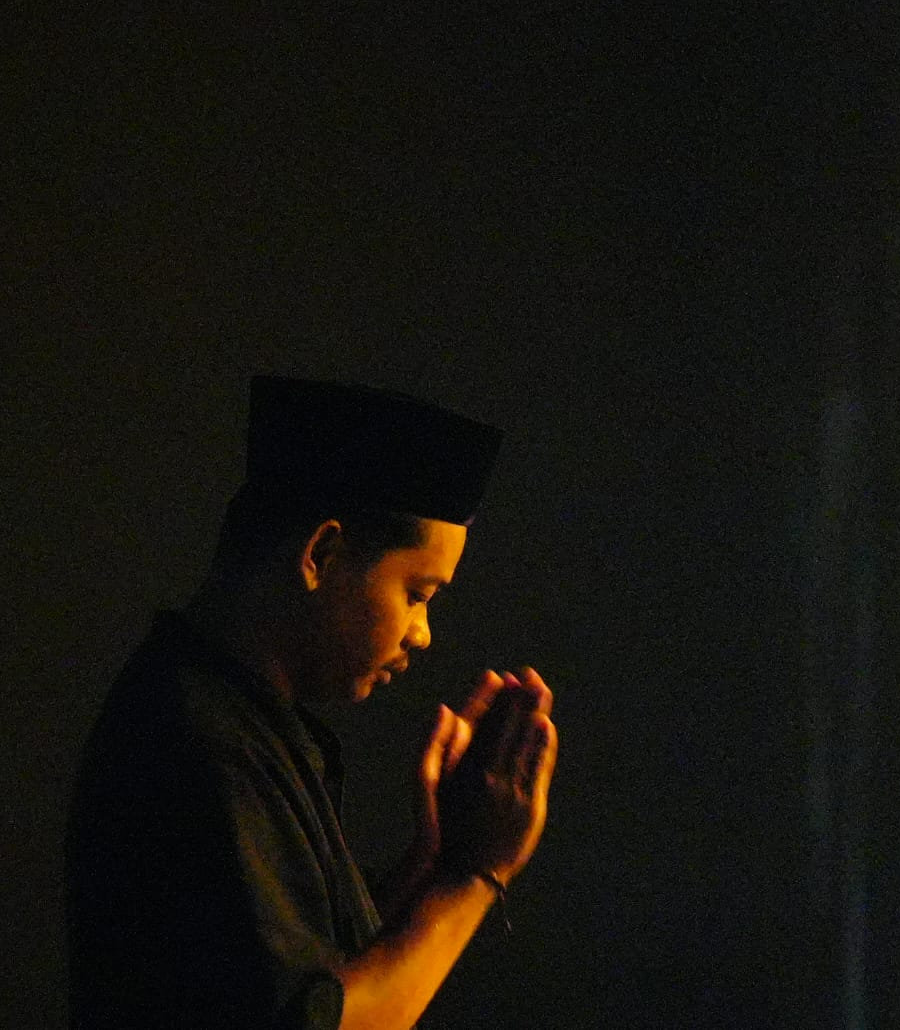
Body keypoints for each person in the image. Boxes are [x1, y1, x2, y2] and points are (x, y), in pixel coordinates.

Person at [65, 376, 557, 1029]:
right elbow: (314, 1020)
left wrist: (433, 863)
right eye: (417, 594)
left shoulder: (241, 722)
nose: (423, 634)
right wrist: (474, 876)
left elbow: (320, 974)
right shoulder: (195, 742)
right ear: (322, 554)